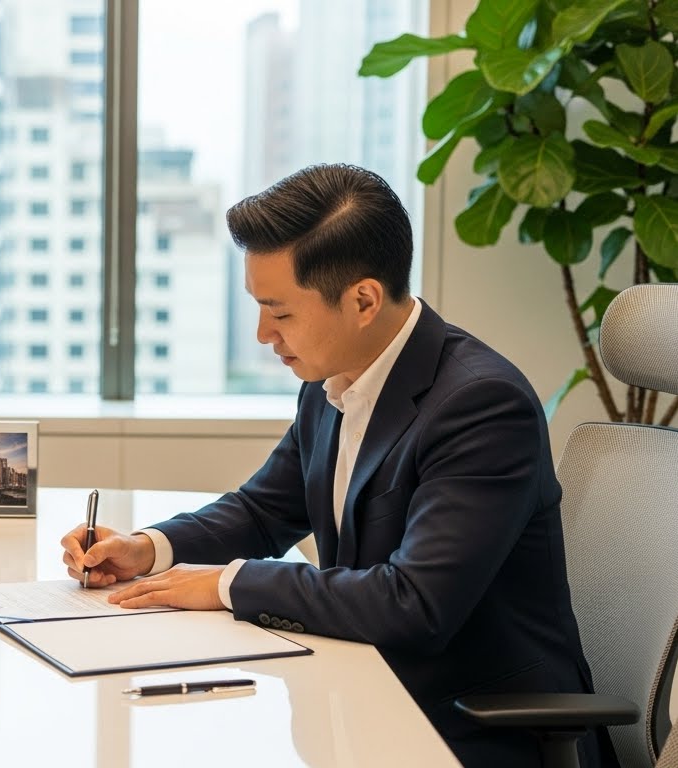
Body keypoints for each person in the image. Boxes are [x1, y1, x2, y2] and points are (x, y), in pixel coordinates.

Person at [60, 164, 610, 768]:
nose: (263, 334)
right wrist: (147, 548)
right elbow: (264, 510)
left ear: (363, 300)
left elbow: (414, 604)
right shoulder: (331, 380)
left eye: (280, 313)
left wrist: (224, 583)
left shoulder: (481, 405)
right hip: (362, 698)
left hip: (469, 732)